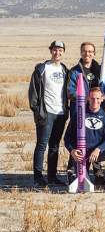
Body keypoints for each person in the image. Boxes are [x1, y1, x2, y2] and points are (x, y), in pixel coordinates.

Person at [64, 86, 105, 191]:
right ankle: (74, 175)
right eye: (92, 98)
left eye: (98, 98)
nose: (95, 101)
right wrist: (72, 150)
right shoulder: (79, 115)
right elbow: (67, 137)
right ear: (88, 98)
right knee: (86, 185)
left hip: (97, 153)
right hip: (81, 154)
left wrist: (98, 149)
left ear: (102, 99)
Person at [28, 40, 69, 187]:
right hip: (46, 113)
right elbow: (33, 93)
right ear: (51, 50)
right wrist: (38, 112)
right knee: (41, 145)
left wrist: (66, 111)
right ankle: (38, 178)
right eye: (55, 50)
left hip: (60, 113)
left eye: (60, 50)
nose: (57, 53)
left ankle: (52, 177)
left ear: (63, 52)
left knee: (55, 146)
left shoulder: (64, 69)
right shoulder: (42, 68)